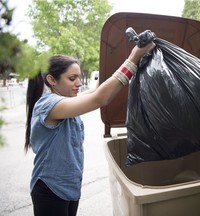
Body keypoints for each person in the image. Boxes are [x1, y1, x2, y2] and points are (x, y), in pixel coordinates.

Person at [25, 42, 155, 216]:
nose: (79, 83)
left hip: (70, 186)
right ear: (51, 80)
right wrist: (133, 58)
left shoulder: (67, 100)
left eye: (79, 77)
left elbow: (96, 91)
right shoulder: (49, 105)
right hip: (50, 188)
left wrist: (117, 58)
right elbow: (100, 99)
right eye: (72, 78)